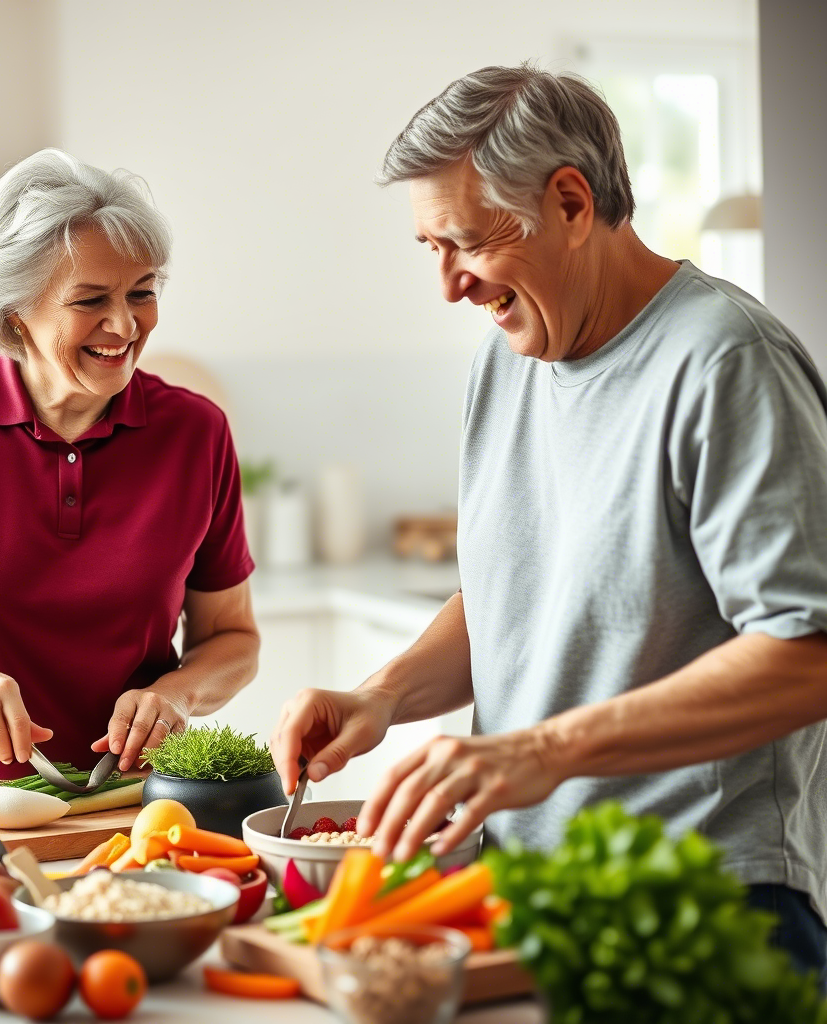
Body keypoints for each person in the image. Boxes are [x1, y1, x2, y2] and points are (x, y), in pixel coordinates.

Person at [271, 64, 827, 980]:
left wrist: (545, 750)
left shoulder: (726, 362)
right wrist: (386, 694)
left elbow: (806, 651)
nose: (450, 286)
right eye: (429, 248)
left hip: (707, 903)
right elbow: (509, 594)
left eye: (466, 243)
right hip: (527, 889)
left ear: (571, 202)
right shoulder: (511, 359)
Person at [0, 149, 259, 791]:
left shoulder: (196, 432)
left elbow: (231, 636)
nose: (124, 325)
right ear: (14, 312)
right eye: (89, 300)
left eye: (141, 293)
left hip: (126, 795)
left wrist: (180, 693)